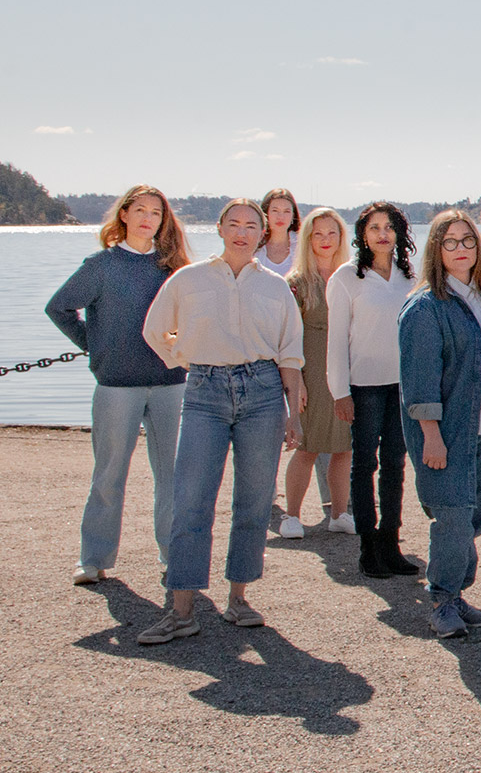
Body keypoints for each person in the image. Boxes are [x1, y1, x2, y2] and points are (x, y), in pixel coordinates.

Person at [135, 198, 304, 645]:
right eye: (234, 224)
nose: (243, 232)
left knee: (253, 500)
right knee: (191, 500)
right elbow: (155, 330)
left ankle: (239, 599)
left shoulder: (275, 287)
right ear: (220, 228)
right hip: (205, 392)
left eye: (252, 225)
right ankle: (182, 610)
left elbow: (290, 352)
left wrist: (294, 413)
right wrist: (185, 359)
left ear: (263, 233)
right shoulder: (187, 280)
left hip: (264, 392)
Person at [47, 185, 191, 586]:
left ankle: (173, 555)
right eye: (140, 210)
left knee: (172, 476)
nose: (148, 218)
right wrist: (96, 347)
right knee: (109, 473)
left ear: (164, 221)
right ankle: (93, 558)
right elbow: (58, 307)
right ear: (124, 215)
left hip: (170, 384)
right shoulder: (101, 266)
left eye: (157, 213)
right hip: (116, 387)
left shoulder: (174, 267)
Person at [399, 210, 481, 639]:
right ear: (435, 248)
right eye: (449, 241)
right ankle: (441, 601)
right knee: (451, 517)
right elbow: (419, 380)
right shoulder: (426, 307)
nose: (461, 249)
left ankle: (457, 595)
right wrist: (431, 435)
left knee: (475, 518)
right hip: (450, 433)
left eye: (468, 240)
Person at [326, 202, 418, 578]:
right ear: (363, 234)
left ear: (399, 234)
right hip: (362, 387)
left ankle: (391, 543)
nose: (383, 233)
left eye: (389, 227)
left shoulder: (409, 276)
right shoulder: (346, 278)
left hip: (401, 386)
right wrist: (339, 391)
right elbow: (335, 340)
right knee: (364, 464)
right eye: (375, 227)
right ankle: (368, 547)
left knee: (395, 465)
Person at [280, 208, 354, 538]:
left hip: (347, 371)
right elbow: (286, 339)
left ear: (341, 238)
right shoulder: (295, 284)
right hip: (310, 371)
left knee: (344, 447)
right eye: (318, 234)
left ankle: (339, 513)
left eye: (332, 233)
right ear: (308, 239)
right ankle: (291, 516)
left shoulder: (352, 277)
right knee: (307, 447)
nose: (325, 240)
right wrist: (296, 384)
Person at [255, 188, 301, 277]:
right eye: (275, 210)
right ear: (266, 213)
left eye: (286, 211)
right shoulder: (253, 246)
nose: (280, 216)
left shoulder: (302, 246)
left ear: (293, 216)